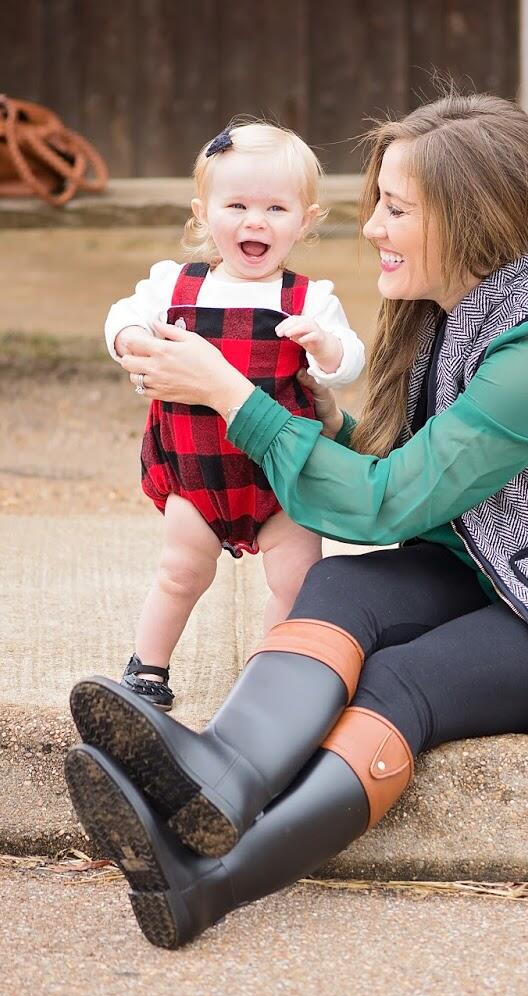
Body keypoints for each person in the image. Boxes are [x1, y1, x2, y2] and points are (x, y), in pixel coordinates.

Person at [66, 93, 528, 949]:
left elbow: (389, 503)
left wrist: (229, 393)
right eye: (377, 202)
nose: (372, 227)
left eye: (396, 209)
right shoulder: (451, 302)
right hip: (493, 560)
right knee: (337, 582)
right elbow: (390, 463)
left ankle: (210, 881)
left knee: (401, 683)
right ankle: (221, 778)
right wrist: (306, 408)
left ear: (468, 218)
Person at [104, 122, 366, 711]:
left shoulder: (309, 300)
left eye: (276, 207)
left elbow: (349, 362)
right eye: (238, 205)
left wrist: (323, 346)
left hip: (281, 478)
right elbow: (122, 313)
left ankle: (267, 674)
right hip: (197, 476)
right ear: (203, 213)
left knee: (296, 583)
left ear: (305, 220)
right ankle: (148, 666)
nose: (256, 221)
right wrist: (126, 338)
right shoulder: (173, 285)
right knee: (180, 572)